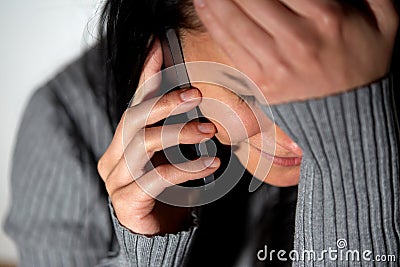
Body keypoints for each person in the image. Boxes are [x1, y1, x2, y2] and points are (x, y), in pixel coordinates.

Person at [4, 0, 399, 266]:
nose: (296, 137)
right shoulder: (66, 123)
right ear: (165, 49)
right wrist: (145, 256)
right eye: (247, 94)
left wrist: (353, 151)